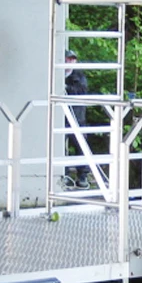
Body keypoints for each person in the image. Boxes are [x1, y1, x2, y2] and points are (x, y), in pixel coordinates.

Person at [64, 49, 90, 189]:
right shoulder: (56, 74)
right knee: (59, 146)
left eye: (73, 59)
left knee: (80, 145)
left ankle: (82, 176)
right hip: (60, 117)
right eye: (68, 59)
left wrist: (66, 88)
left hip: (77, 116)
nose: (70, 62)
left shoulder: (79, 76)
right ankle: (64, 174)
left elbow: (81, 91)